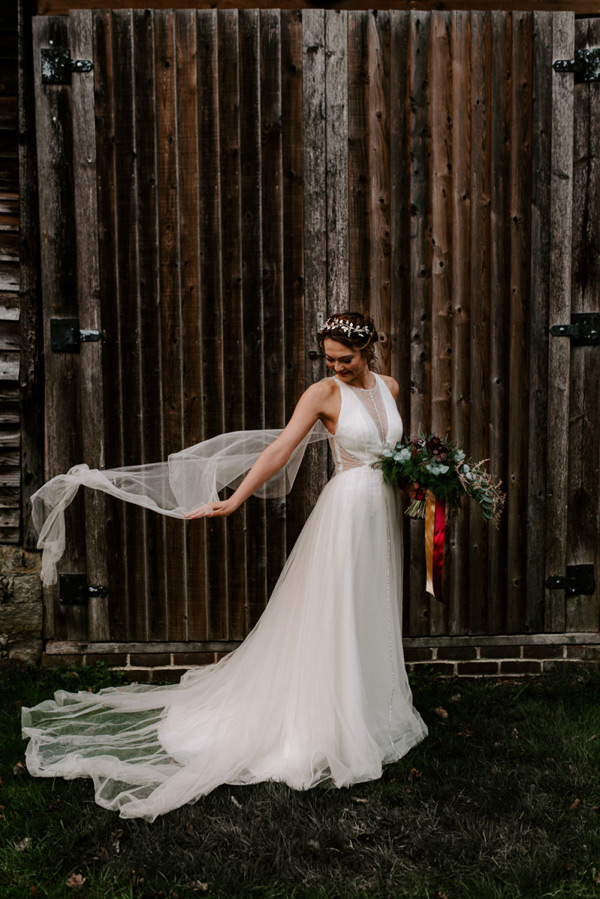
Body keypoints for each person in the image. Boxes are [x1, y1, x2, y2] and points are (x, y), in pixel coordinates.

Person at [21, 312, 428, 822]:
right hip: (346, 513)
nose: (336, 368)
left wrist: (422, 482)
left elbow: (395, 451)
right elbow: (281, 449)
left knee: (373, 604)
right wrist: (234, 498)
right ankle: (325, 718)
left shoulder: (389, 386)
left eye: (345, 360)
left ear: (370, 351)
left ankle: (373, 708)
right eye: (328, 359)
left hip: (382, 512)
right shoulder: (322, 394)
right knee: (338, 609)